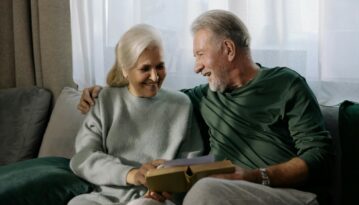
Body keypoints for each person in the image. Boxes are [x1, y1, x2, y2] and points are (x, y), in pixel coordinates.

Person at [78, 10, 333, 205]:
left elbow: (318, 156)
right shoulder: (204, 95)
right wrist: (103, 91)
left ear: (228, 49)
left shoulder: (287, 84)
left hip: (286, 196)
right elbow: (151, 94)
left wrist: (254, 176)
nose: (196, 67)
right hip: (222, 194)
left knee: (206, 189)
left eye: (200, 54)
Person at [68, 24, 203, 205]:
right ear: (125, 69)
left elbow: (193, 164)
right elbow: (84, 158)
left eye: (160, 66)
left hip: (153, 200)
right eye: (145, 69)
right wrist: (131, 174)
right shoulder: (104, 100)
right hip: (103, 198)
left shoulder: (181, 104)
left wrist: (167, 184)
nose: (155, 77)